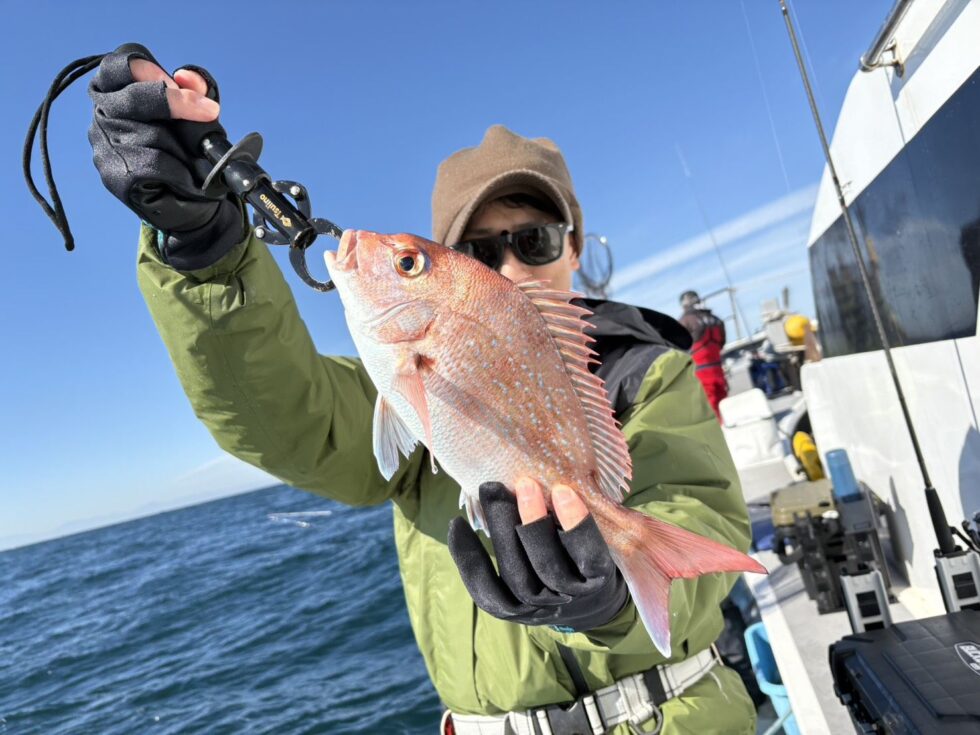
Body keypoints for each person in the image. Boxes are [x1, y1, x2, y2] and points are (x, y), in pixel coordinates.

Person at [88, 44, 757, 734]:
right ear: (458, 274)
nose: (510, 263)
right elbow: (285, 414)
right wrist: (204, 246)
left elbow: (701, 519)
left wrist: (611, 599)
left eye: (537, 240)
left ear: (575, 247)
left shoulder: (649, 370)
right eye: (476, 251)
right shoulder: (399, 400)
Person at [678, 291, 729, 419]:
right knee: (723, 402)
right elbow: (722, 342)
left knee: (708, 407)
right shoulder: (716, 319)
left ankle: (718, 433)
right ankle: (727, 425)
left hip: (700, 372)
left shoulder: (685, 321)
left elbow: (678, 349)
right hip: (718, 368)